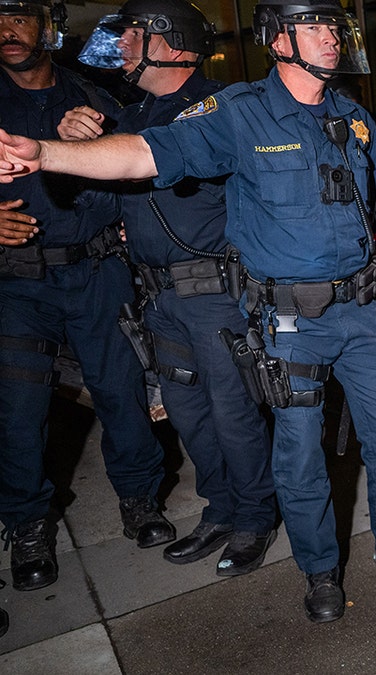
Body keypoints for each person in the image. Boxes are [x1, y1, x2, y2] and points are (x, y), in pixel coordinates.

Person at [0, 0, 376, 622]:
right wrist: (47, 154)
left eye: (335, 27)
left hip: (358, 312)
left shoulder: (353, 117)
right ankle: (320, 569)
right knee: (299, 458)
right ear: (277, 39)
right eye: (316, 27)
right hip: (290, 322)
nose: (332, 39)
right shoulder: (238, 114)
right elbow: (142, 156)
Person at [60, 0, 278, 575]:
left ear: (170, 40)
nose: (123, 47)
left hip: (217, 295)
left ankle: (256, 517)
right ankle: (222, 509)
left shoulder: (225, 106)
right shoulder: (130, 119)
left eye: (133, 35)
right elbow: (97, 204)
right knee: (188, 413)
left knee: (235, 413)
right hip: (158, 299)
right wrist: (73, 151)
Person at [0, 0, 175, 593]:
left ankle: (140, 501)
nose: (7, 31)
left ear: (48, 26)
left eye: (20, 18)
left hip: (97, 274)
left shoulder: (96, 97)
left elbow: (141, 173)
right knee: (18, 413)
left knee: (121, 394)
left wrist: (100, 151)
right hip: (17, 282)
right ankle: (27, 525)